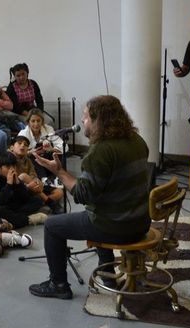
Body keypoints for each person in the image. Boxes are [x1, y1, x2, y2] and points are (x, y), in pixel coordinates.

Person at [29, 95, 151, 299]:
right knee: (94, 212)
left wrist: (59, 172)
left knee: (52, 225)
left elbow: (82, 195)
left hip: (117, 226)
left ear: (99, 121)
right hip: (140, 222)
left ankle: (58, 283)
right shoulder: (137, 140)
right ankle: (109, 277)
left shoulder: (101, 151)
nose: (82, 121)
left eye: (85, 117)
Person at [0, 151, 49, 228]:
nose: (12, 169)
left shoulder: (14, 176)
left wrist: (18, 183)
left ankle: (12, 219)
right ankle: (28, 220)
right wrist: (9, 184)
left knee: (36, 200)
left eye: (14, 166)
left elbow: (25, 198)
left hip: (11, 206)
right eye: (8, 167)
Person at [9, 135, 64, 209]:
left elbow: (33, 173)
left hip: (32, 186)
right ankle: (49, 202)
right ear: (11, 147)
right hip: (19, 189)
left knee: (59, 192)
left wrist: (36, 182)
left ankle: (40, 202)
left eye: (25, 145)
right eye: (19, 143)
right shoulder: (8, 159)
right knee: (23, 176)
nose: (22, 146)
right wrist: (29, 185)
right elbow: (14, 180)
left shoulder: (27, 160)